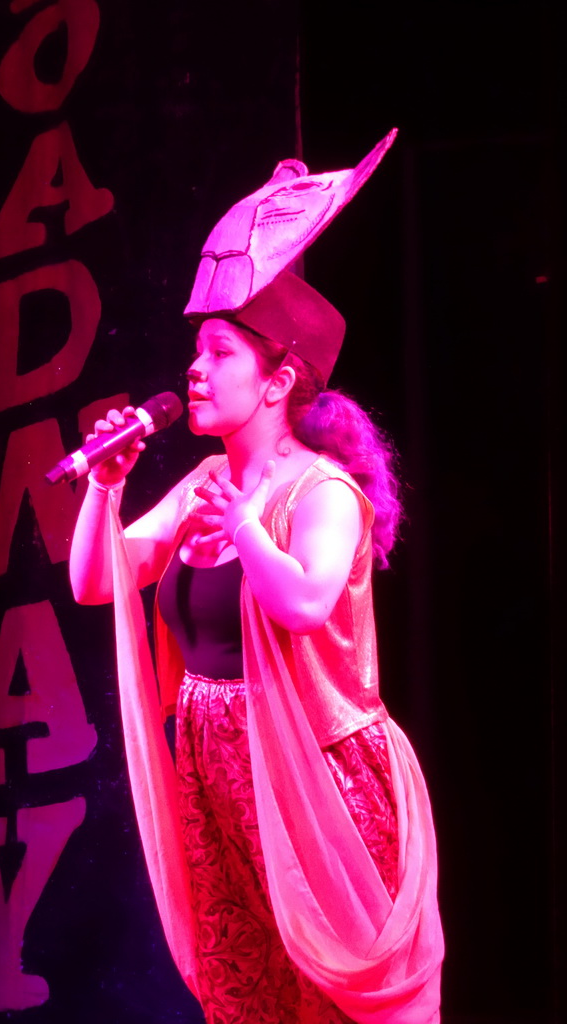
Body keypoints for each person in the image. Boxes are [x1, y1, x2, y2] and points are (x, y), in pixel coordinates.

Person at [69, 141, 443, 1023]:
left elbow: (306, 602)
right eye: (194, 353)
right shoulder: (204, 481)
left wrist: (242, 528)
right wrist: (107, 481)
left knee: (336, 1000)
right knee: (253, 996)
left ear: (276, 380)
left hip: (321, 783)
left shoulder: (323, 492)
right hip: (218, 783)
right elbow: (97, 581)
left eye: (217, 353)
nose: (193, 371)